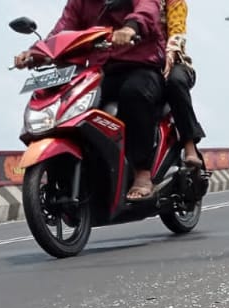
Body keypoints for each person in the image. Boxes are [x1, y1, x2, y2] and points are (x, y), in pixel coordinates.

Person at [14, 0, 165, 200]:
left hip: (141, 65)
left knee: (133, 94)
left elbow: (147, 8)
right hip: (102, 71)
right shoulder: (79, 2)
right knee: (74, 102)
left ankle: (142, 173)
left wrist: (131, 27)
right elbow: (63, 30)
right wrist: (34, 53)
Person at [163, 0, 205, 168]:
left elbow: (177, 32)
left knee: (175, 81)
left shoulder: (174, 2)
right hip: (130, 63)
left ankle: (189, 144)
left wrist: (170, 55)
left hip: (174, 62)